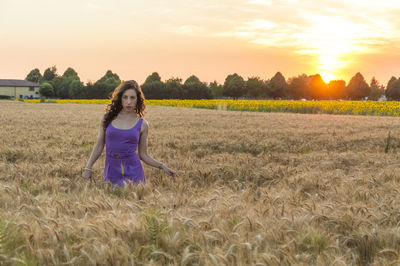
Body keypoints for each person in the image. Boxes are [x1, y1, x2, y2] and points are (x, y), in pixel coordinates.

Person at [82, 80, 177, 187]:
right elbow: (99, 145)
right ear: (120, 98)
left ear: (138, 100)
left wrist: (162, 166)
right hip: (111, 171)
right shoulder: (107, 118)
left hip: (134, 173)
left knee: (133, 201)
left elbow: (143, 155)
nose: (128, 102)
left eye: (132, 98)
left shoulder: (143, 124)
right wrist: (88, 167)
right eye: (125, 97)